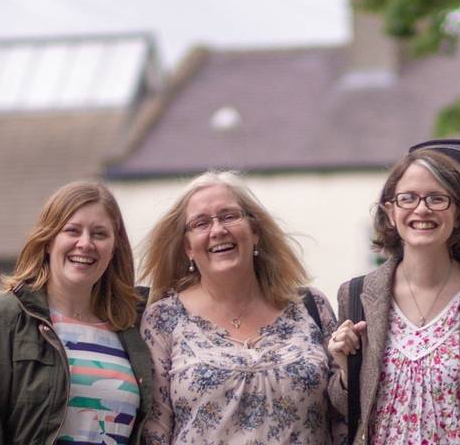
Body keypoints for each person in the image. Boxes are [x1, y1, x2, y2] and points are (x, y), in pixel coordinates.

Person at [328, 148, 460, 445]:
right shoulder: (356, 296)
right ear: (390, 213)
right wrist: (345, 370)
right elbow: (348, 411)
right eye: (408, 198)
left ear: (459, 214)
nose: (422, 209)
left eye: (437, 198)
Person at [138, 170, 343, 444]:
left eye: (229, 216)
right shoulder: (163, 318)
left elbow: (345, 418)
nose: (218, 230)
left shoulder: (310, 307)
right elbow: (155, 430)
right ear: (187, 246)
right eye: (200, 223)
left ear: (255, 231)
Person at [0, 181, 152, 445]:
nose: (85, 243)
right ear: (48, 240)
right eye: (72, 230)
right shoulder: (0, 320)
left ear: (114, 247)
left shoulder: (133, 328)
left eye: (99, 234)